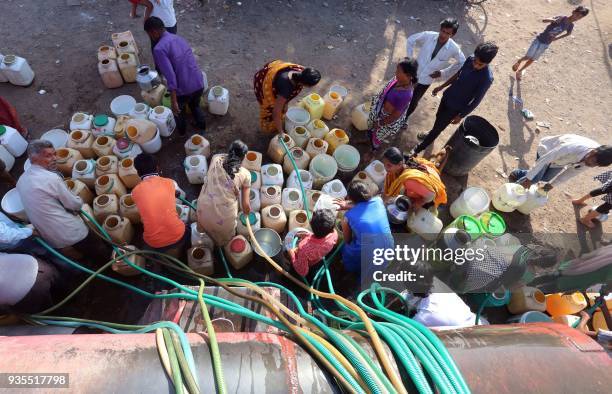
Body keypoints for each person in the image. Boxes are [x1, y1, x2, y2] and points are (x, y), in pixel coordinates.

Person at [412, 42, 498, 156]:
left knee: (439, 128)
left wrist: (461, 115)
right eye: (475, 61)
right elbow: (458, 75)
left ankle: (417, 149)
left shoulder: (486, 78)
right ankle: (431, 133)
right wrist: (442, 87)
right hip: (447, 96)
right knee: (438, 119)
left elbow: (476, 101)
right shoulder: (470, 59)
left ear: (488, 63)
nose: (475, 65)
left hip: (456, 107)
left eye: (480, 64)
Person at [16, 141, 88, 253]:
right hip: (71, 232)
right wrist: (79, 200)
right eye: (48, 156)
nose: (54, 158)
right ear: (34, 159)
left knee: (80, 254)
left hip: (51, 240)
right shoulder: (51, 178)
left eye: (54, 154)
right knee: (98, 249)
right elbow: (74, 205)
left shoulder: (20, 181)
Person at [144, 16, 206, 135]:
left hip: (184, 89)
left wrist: (173, 100)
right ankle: (202, 127)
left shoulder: (159, 49)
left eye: (149, 34)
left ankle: (182, 133)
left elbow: (170, 76)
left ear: (154, 31)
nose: (150, 37)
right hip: (198, 81)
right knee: (195, 106)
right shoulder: (178, 38)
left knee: (178, 112)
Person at [404, 18, 466, 122]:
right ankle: (395, 114)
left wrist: (443, 73)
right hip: (413, 73)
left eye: (448, 33)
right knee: (403, 93)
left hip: (426, 80)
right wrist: (410, 59)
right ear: (440, 29)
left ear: (452, 35)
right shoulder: (429, 35)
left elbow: (462, 62)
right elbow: (411, 40)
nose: (443, 35)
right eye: (442, 31)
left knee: (414, 101)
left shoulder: (453, 48)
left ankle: (404, 119)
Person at [197, 140, 251, 246]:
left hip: (202, 209)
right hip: (224, 220)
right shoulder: (245, 174)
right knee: (224, 238)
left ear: (229, 151)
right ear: (244, 157)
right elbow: (245, 206)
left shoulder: (216, 159)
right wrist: (247, 214)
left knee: (207, 230)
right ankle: (222, 246)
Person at [512, 6, 589, 80]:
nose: (577, 18)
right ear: (573, 12)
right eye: (577, 14)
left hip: (546, 44)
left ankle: (520, 71)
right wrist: (552, 20)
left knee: (533, 59)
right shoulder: (562, 18)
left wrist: (557, 38)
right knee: (528, 57)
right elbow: (544, 20)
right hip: (539, 40)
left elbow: (568, 33)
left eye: (580, 17)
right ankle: (519, 61)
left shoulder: (571, 25)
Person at [509, 134, 612, 189]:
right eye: (594, 161)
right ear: (593, 152)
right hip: (547, 150)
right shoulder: (572, 147)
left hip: (562, 161)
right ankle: (512, 189)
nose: (591, 165)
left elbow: (571, 172)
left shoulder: (592, 160)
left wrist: (552, 185)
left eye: (597, 165)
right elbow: (546, 159)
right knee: (535, 178)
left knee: (546, 178)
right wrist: (529, 178)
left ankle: (519, 173)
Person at [131, 153, 188, 252]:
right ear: (157, 168)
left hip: (154, 244)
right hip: (179, 235)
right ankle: (185, 249)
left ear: (138, 173)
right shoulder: (170, 183)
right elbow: (181, 196)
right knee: (188, 230)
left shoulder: (134, 193)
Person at [335, 181, 394, 275]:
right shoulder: (379, 201)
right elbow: (366, 206)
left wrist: (349, 208)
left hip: (369, 253)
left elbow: (347, 240)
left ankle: (348, 270)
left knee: (347, 250)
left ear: (349, 198)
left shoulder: (347, 217)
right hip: (389, 247)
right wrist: (349, 206)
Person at [253, 60, 321, 134]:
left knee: (281, 106)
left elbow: (287, 96)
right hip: (264, 82)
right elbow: (276, 113)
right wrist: (281, 132)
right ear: (306, 85)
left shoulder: (301, 72)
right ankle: (268, 127)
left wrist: (285, 104)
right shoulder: (287, 88)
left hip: (275, 74)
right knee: (270, 109)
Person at [366, 59, 419, 151]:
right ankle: (368, 140)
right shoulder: (398, 80)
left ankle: (372, 151)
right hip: (380, 112)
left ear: (408, 75)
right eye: (396, 70)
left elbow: (395, 115)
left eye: (398, 71)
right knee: (371, 130)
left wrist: (380, 123)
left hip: (386, 120)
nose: (395, 72)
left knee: (377, 137)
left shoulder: (405, 95)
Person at [381, 147, 447, 210]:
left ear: (400, 164)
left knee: (414, 205)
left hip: (434, 190)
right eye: (384, 164)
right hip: (427, 177)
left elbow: (431, 195)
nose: (385, 168)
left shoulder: (408, 180)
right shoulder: (407, 161)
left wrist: (420, 202)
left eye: (389, 165)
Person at [287, 209, 339, 277]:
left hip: (307, 263)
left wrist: (292, 254)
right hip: (318, 257)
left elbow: (302, 272)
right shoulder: (334, 234)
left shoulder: (304, 250)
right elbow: (322, 239)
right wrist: (308, 235)